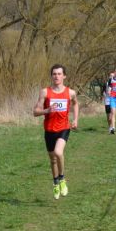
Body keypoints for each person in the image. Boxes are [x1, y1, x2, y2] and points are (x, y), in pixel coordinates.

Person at [33, 64, 79, 200]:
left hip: (64, 128)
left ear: (64, 76)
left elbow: (76, 104)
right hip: (49, 130)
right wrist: (46, 111)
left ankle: (62, 179)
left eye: (59, 74)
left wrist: (75, 119)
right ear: (51, 76)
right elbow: (35, 112)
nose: (56, 76)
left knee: (58, 152)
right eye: (54, 74)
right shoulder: (45, 92)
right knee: (53, 159)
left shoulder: (70, 93)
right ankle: (55, 183)